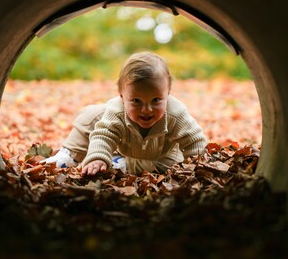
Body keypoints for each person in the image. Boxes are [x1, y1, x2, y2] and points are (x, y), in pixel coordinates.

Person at [43, 51, 207, 175]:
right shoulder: (117, 109)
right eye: (136, 101)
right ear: (122, 96)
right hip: (122, 140)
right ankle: (69, 155)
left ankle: (121, 164)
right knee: (92, 115)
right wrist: (98, 156)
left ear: (168, 92)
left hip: (159, 156)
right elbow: (104, 135)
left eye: (156, 100)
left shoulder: (176, 113)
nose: (146, 109)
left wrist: (199, 167)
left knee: (170, 165)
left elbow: (194, 141)